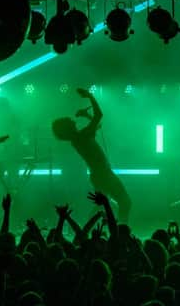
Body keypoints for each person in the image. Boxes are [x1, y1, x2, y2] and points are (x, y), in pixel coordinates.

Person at [52, 88, 131, 224]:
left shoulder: (80, 137)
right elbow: (99, 115)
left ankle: (88, 231)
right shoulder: (81, 136)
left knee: (105, 205)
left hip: (100, 175)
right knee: (124, 203)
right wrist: (90, 96)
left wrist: (86, 116)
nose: (71, 119)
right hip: (103, 174)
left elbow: (97, 125)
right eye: (68, 120)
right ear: (66, 128)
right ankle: (121, 230)